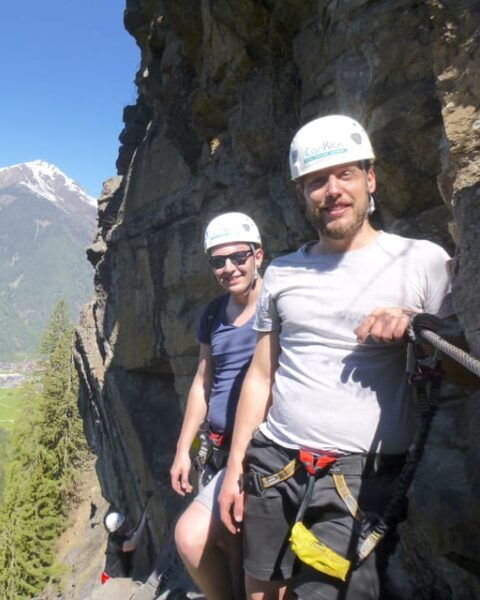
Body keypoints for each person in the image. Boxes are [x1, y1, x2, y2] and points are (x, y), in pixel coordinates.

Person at [218, 114, 454, 600]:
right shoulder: (282, 274)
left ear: (371, 178)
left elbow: (466, 373)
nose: (332, 190)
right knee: (261, 586)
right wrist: (235, 469)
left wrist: (418, 325)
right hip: (273, 463)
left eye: (345, 174)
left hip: (357, 479)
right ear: (303, 194)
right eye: (316, 181)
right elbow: (261, 376)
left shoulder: (424, 261)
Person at [171, 212, 264, 599]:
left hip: (263, 453)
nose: (229, 268)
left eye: (238, 257)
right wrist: (182, 450)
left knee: (245, 546)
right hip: (219, 450)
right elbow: (203, 381)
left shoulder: (278, 306)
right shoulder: (212, 313)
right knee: (203, 540)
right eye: (218, 261)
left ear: (258, 254)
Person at [101, 500, 150, 584]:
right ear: (118, 528)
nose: (126, 524)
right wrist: (143, 522)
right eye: (124, 524)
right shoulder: (115, 543)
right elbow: (132, 544)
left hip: (115, 577)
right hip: (112, 580)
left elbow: (130, 534)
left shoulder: (116, 535)